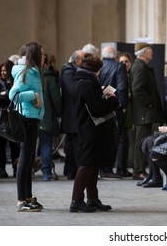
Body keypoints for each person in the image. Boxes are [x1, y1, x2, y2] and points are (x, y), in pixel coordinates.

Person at [70, 53, 119, 213]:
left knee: (93, 164)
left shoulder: (82, 81)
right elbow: (98, 109)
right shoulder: (88, 84)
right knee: (86, 165)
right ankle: (76, 200)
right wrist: (112, 99)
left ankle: (92, 199)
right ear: (95, 69)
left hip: (89, 128)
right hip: (91, 130)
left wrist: (101, 93)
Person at [9, 42, 45, 212]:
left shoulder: (33, 71)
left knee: (28, 160)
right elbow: (13, 94)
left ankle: (28, 196)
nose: (44, 56)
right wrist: (34, 95)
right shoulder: (28, 73)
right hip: (27, 119)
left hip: (32, 118)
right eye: (42, 53)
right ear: (35, 55)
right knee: (24, 160)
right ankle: (21, 200)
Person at [130, 43, 165, 180]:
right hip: (144, 112)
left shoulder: (141, 66)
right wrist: (150, 103)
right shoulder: (139, 66)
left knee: (143, 140)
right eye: (150, 51)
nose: (152, 53)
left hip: (145, 112)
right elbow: (137, 89)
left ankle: (140, 169)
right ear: (144, 53)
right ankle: (138, 170)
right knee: (142, 141)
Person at [98, 45, 128, 179]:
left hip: (99, 106)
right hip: (114, 107)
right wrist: (123, 105)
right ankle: (108, 168)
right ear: (115, 55)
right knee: (113, 138)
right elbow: (122, 88)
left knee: (102, 138)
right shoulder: (119, 66)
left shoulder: (98, 65)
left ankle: (101, 167)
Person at [59, 50, 84, 180]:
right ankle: (72, 171)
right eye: (83, 60)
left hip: (72, 115)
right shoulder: (69, 72)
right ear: (77, 61)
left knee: (71, 144)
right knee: (74, 144)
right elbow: (73, 90)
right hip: (71, 114)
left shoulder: (71, 71)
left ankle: (70, 170)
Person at [38, 54, 62, 181]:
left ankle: (24, 172)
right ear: (46, 64)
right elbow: (56, 99)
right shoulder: (49, 78)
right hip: (46, 117)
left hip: (29, 116)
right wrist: (59, 113)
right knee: (46, 144)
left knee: (28, 147)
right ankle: (46, 173)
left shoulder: (27, 75)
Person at [0, 61, 20, 178]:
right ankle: (2, 169)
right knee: (0, 145)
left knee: (14, 143)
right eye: (2, 70)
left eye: (5, 70)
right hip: (0, 117)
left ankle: (16, 168)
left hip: (12, 116)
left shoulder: (14, 82)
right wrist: (2, 95)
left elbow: (12, 98)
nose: (3, 73)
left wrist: (4, 94)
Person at [115, 52, 134, 177]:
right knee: (122, 141)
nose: (124, 64)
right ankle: (120, 167)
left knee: (125, 141)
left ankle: (123, 166)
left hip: (130, 113)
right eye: (121, 62)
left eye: (126, 61)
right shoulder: (119, 75)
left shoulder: (132, 76)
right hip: (121, 112)